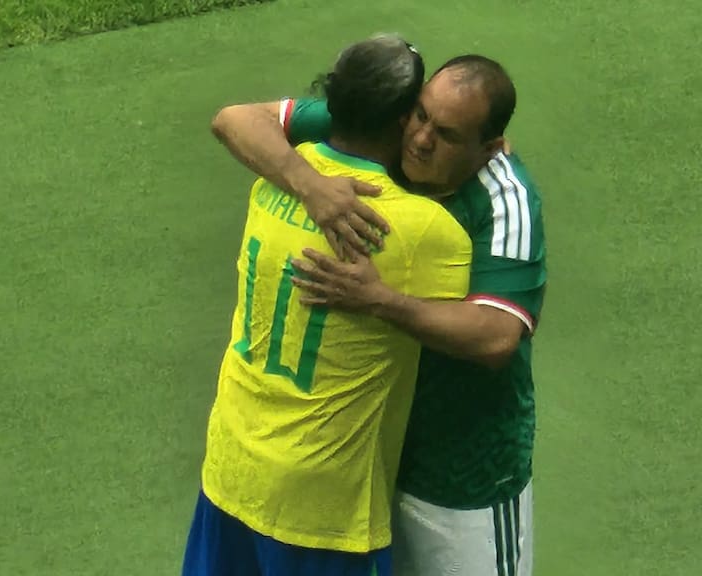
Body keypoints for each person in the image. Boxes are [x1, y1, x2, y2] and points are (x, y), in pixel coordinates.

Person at [210, 54, 547, 576]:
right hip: (374, 463)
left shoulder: (505, 200)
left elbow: (497, 336)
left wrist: (380, 300)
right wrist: (310, 184)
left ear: (489, 148)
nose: (420, 139)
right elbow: (235, 119)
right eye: (421, 116)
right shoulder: (389, 129)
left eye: (447, 135)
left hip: (463, 478)